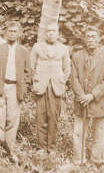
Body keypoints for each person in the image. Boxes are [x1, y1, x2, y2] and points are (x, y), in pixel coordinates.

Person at [69, 27, 104, 168]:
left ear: (99, 39)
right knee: (78, 133)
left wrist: (92, 95)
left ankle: (96, 161)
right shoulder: (77, 56)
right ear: (84, 39)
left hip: (100, 101)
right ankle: (78, 160)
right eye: (88, 36)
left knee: (99, 133)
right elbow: (73, 78)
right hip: (81, 100)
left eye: (94, 36)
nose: (91, 39)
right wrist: (82, 95)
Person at [0, 21, 30, 158]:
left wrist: (24, 86)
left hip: (15, 88)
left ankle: (9, 148)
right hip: (1, 86)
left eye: (15, 31)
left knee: (12, 118)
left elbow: (28, 72)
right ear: (5, 33)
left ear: (19, 34)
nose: (12, 33)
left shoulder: (23, 51)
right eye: (10, 31)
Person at [30, 23, 71, 152]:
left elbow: (67, 69)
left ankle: (51, 148)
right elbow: (32, 66)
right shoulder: (37, 47)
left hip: (56, 87)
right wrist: (36, 80)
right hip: (41, 85)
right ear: (45, 33)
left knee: (53, 117)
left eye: (53, 31)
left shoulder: (63, 48)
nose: (51, 33)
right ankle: (41, 147)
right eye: (48, 31)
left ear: (58, 33)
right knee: (40, 116)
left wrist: (62, 80)